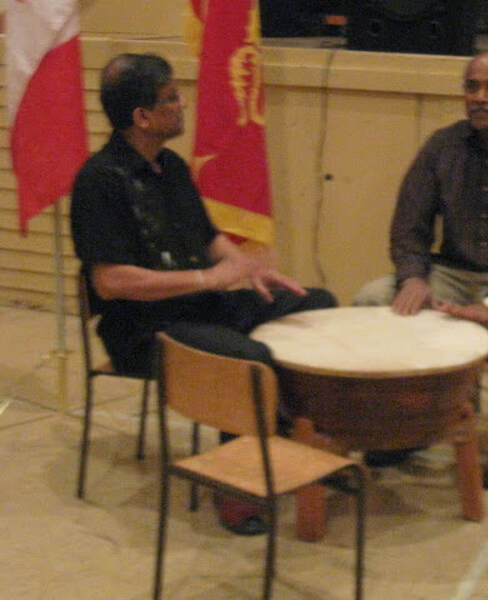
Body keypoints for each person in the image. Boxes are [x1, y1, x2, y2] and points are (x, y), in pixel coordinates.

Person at [70, 53, 336, 534]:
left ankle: (294, 438)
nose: (183, 104)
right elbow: (110, 281)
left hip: (199, 308)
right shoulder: (98, 181)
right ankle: (235, 484)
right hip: (144, 330)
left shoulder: (170, 166)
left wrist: (248, 269)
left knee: (316, 305)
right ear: (142, 116)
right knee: (246, 359)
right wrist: (206, 280)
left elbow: (207, 238)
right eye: (172, 98)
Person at [354, 50, 488, 490]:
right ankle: (404, 424)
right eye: (472, 87)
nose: (480, 97)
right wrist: (413, 277)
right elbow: (408, 225)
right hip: (451, 273)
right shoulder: (442, 146)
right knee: (372, 299)